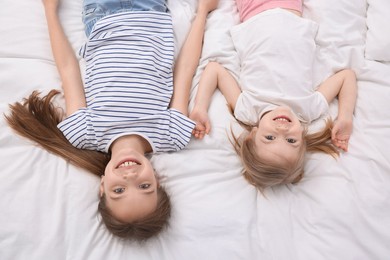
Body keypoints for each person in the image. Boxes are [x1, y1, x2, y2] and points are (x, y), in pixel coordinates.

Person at [5, 0, 219, 241]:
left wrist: (50, 11)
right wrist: (202, 12)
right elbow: (185, 71)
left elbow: (68, 70)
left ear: (103, 186)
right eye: (144, 187)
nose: (130, 178)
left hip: (102, 14)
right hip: (150, 11)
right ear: (157, 181)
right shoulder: (171, 135)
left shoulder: (84, 133)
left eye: (118, 190)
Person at [189, 0, 357, 190]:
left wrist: (200, 107)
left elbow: (214, 70)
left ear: (252, 135)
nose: (282, 130)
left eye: (269, 137)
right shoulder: (308, 109)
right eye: (291, 140)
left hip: (254, 11)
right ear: (302, 138)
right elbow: (346, 77)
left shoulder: (248, 109)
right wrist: (345, 117)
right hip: (289, 7)